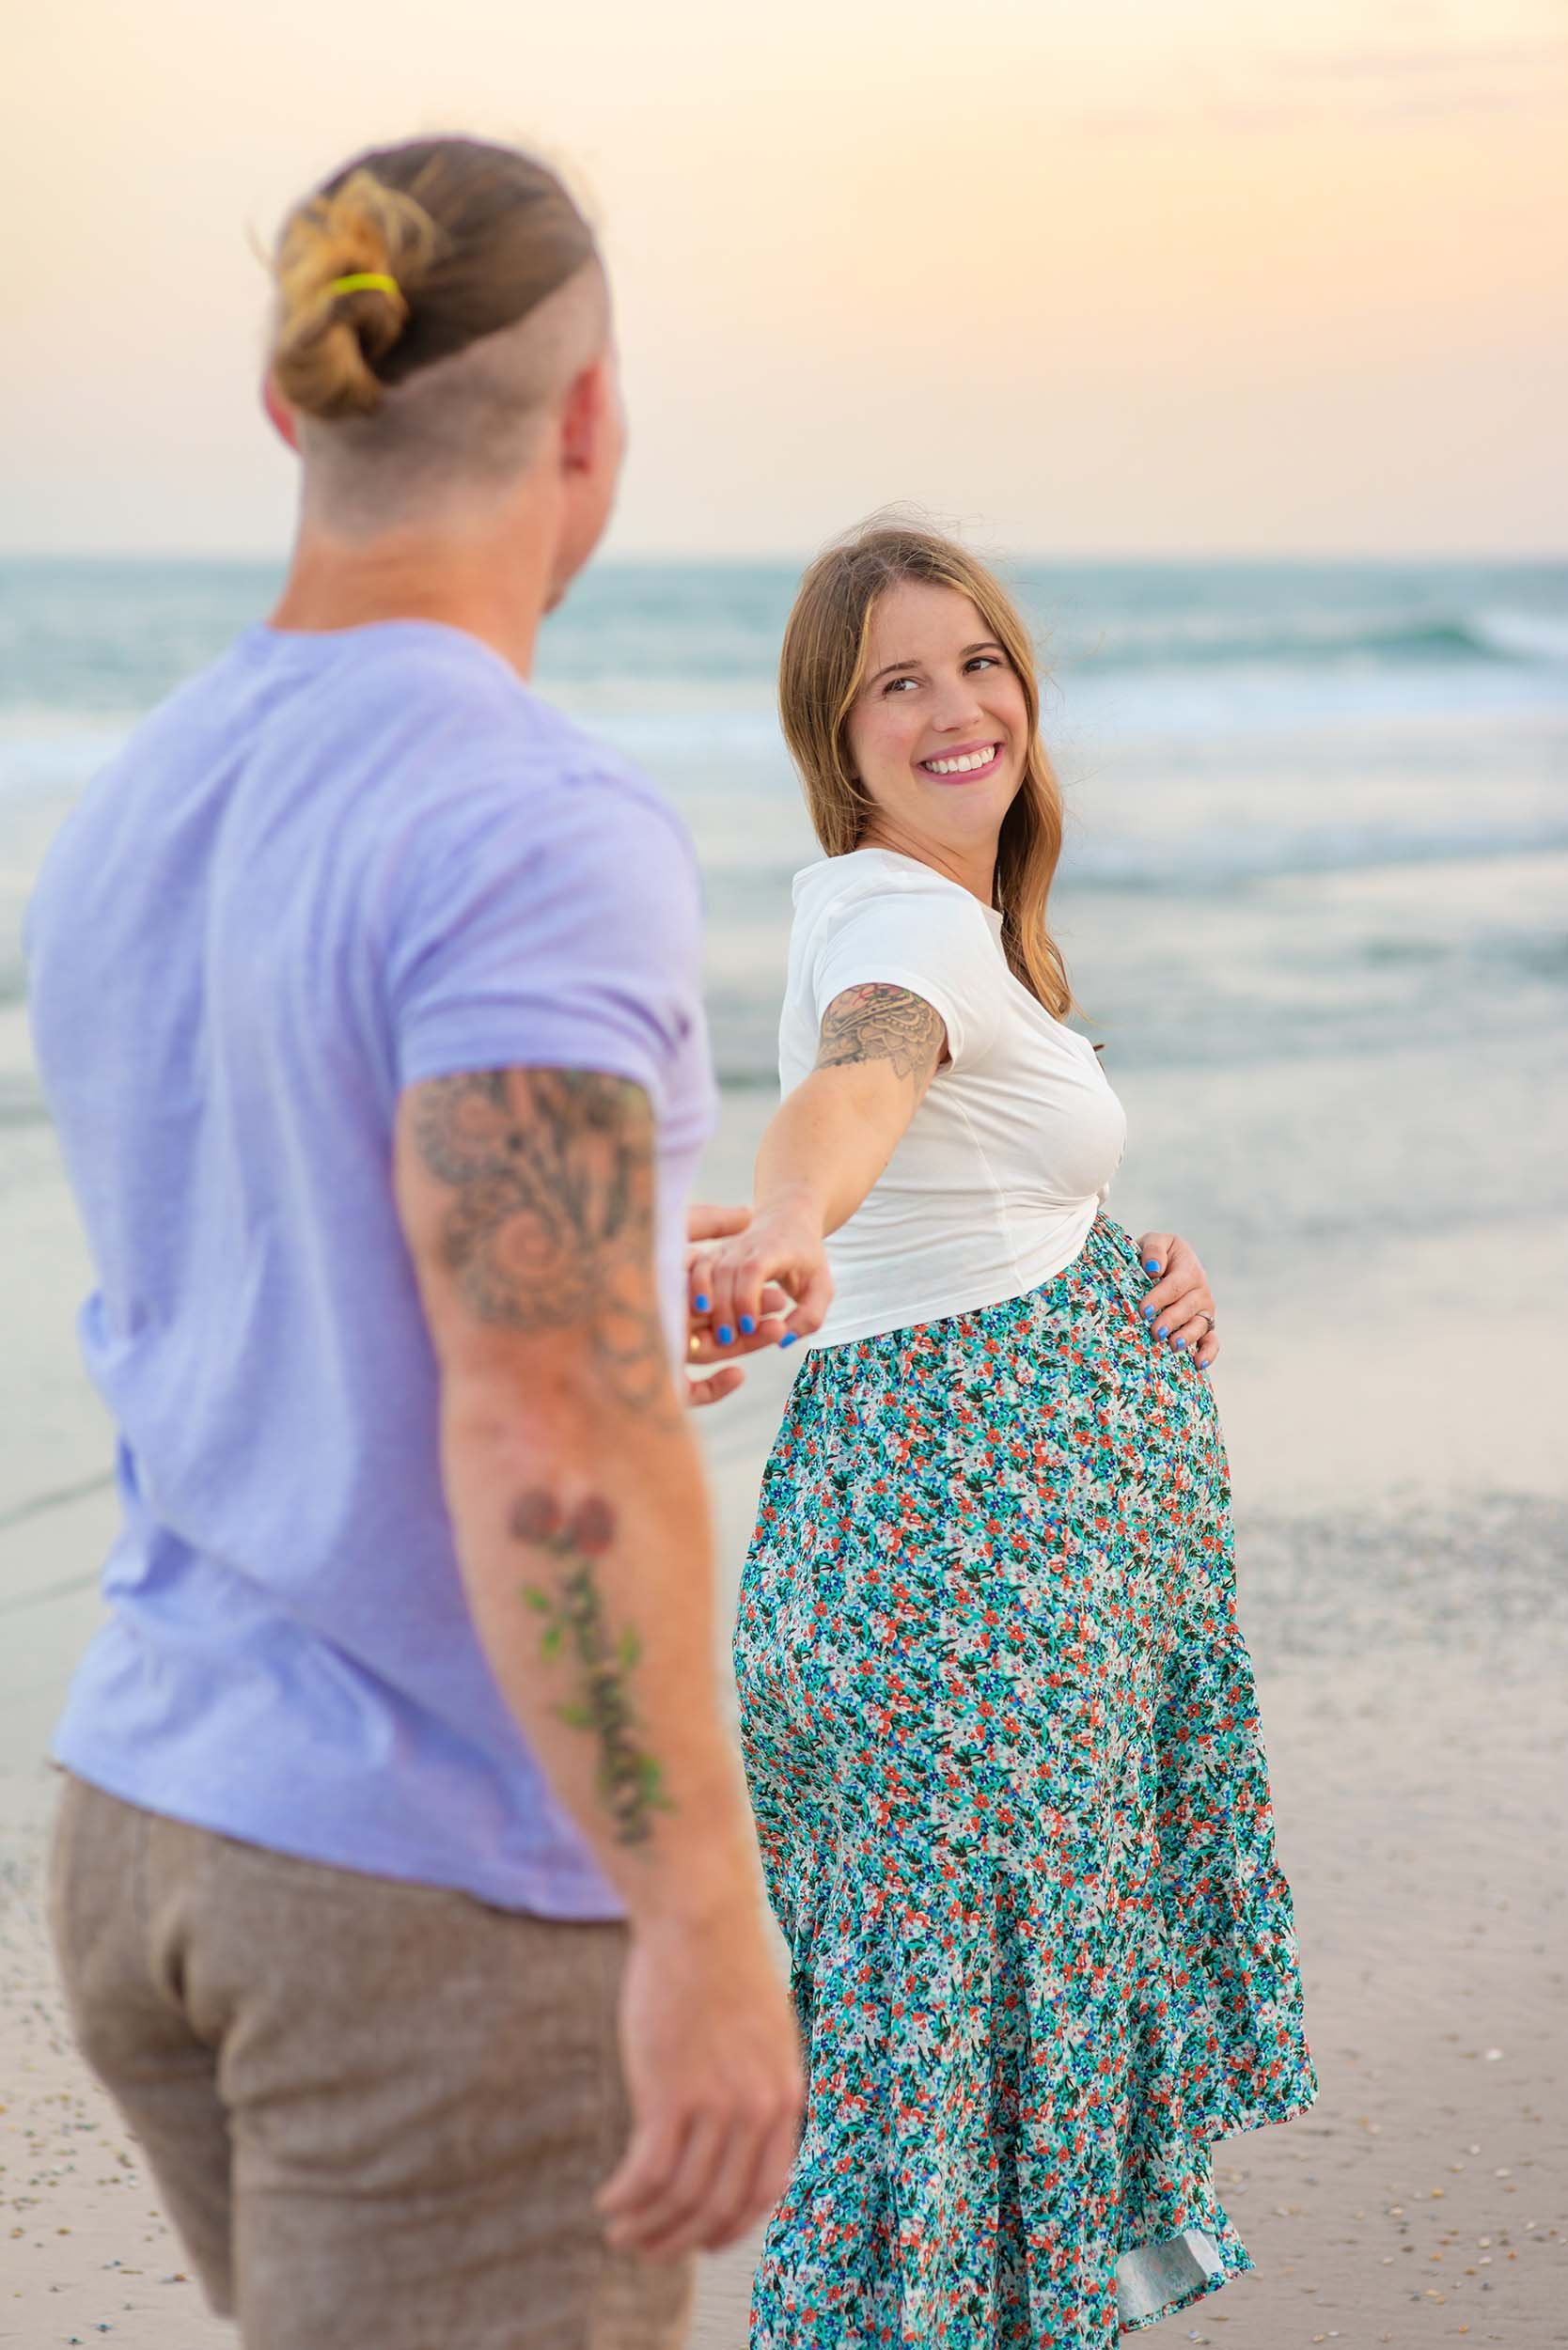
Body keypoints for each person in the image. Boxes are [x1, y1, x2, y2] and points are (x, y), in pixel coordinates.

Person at [26, 135, 801, 2350]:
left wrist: (641, 1286)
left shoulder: (134, 806)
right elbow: (543, 1415)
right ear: (589, 423)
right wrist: (696, 1909)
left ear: (299, 404)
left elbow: (299, 1273)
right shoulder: (528, 823)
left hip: (151, 1811)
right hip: (433, 1878)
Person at [692, 520, 1317, 2346]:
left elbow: (977, 1188)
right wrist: (792, 1218)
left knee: (974, 2054)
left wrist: (1130, 1255)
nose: (958, 705)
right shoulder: (894, 927)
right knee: (938, 2077)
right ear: (839, 729)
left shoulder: (965, 920)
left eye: (979, 661)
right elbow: (863, 1079)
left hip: (1017, 1599)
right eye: (898, 678)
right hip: (965, 1599)